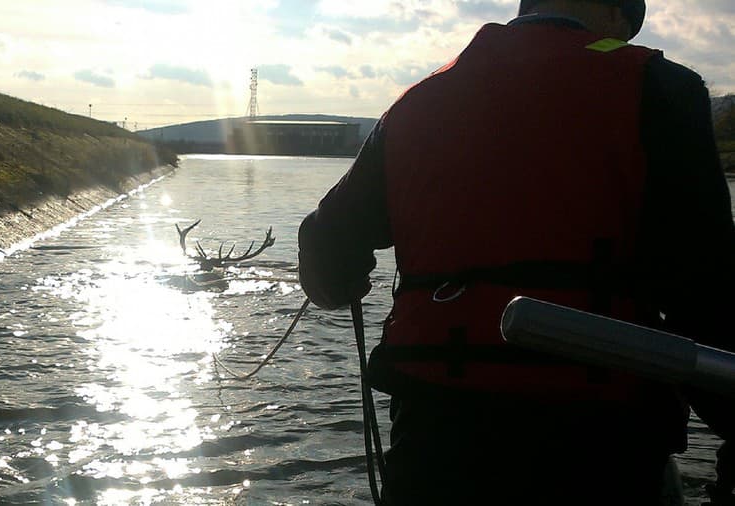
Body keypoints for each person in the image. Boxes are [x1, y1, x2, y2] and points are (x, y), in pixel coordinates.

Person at [297, 0, 735, 504]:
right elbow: (708, 294)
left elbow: (324, 246)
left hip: (436, 430)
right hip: (599, 438)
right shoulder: (663, 88)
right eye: (629, 27)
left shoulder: (417, 101)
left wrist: (342, 280)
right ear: (612, 15)